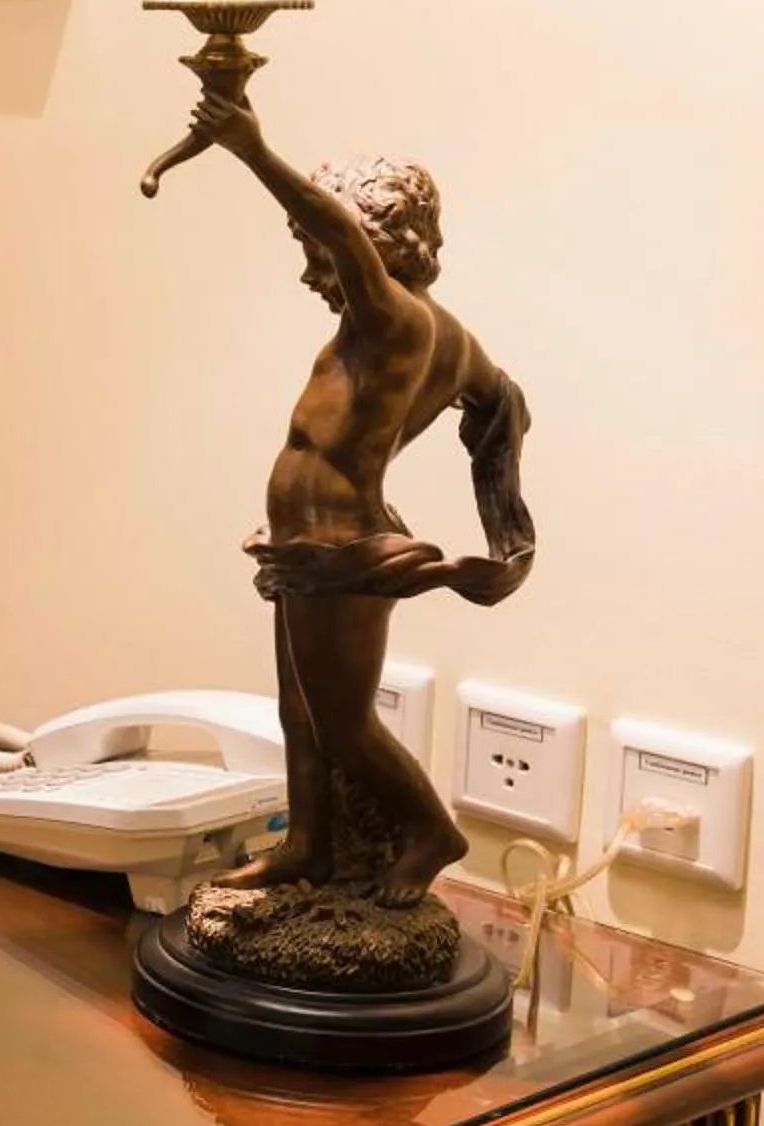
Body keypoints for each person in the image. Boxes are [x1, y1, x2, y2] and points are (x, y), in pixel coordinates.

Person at [189, 91, 536, 904]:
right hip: (302, 546)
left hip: (341, 547)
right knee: (299, 711)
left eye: (317, 250)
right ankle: (307, 844)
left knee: (343, 723)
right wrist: (503, 518)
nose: (312, 271)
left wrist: (251, 148)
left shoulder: (393, 320)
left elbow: (344, 237)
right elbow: (500, 401)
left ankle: (432, 831)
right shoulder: (446, 337)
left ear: (369, 247)